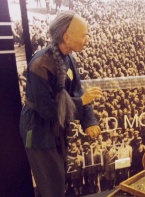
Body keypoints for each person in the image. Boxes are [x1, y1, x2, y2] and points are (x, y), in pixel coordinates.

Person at [19, 11, 103, 197]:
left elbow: (78, 91)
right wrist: (82, 102)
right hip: (39, 133)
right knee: (53, 187)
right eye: (84, 35)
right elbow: (47, 110)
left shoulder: (69, 58)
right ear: (66, 37)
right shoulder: (39, 65)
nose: (87, 38)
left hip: (56, 130)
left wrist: (89, 122)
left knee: (53, 184)